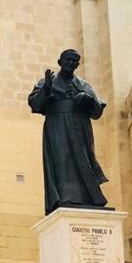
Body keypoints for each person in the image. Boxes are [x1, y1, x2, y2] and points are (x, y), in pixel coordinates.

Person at [28, 49, 109, 215]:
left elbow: (97, 111)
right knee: (62, 160)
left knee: (84, 160)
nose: (70, 63)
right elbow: (35, 105)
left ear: (77, 65)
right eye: (67, 60)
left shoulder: (84, 85)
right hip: (57, 126)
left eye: (74, 61)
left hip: (80, 127)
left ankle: (90, 198)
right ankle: (65, 197)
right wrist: (46, 89)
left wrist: (87, 98)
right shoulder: (47, 82)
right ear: (60, 62)